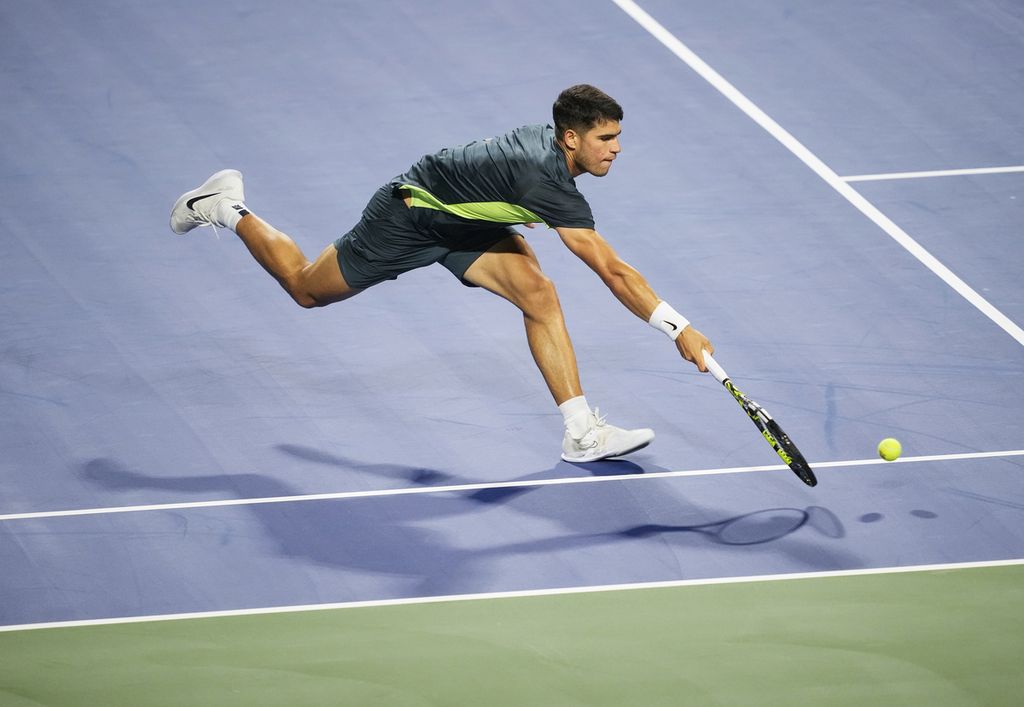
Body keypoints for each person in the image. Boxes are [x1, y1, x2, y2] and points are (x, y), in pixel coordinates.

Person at [170, 84, 713, 463]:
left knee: (539, 295)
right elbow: (613, 272)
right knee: (306, 289)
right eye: (605, 139)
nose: (616, 149)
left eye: (618, 137)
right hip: (407, 218)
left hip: (465, 220)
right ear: (570, 138)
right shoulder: (543, 181)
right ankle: (225, 206)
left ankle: (581, 434)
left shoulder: (553, 155)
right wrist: (677, 327)